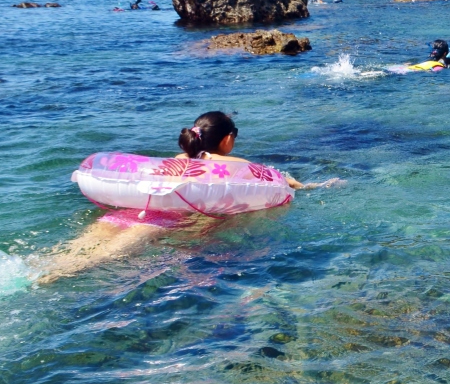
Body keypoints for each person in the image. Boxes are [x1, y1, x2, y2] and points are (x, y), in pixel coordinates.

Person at [35, 112, 342, 282]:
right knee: (98, 260)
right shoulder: (235, 167)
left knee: (74, 251)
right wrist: (320, 185)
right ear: (228, 139)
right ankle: (51, 277)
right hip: (162, 223)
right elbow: (283, 184)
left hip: (128, 211)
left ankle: (37, 268)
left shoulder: (175, 159)